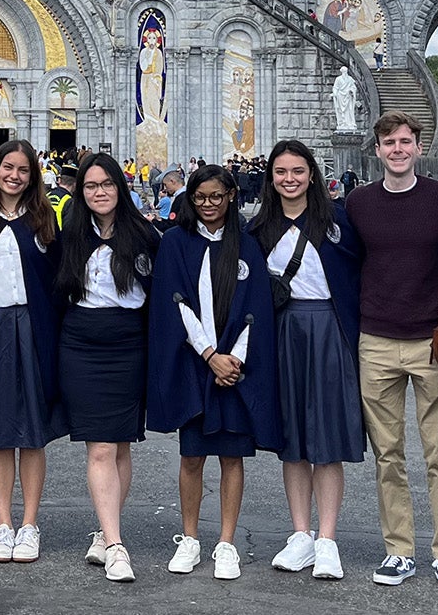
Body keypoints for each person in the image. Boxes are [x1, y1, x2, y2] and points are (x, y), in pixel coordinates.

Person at [347, 112, 438, 593]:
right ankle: (398, 549)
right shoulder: (359, 203)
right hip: (376, 338)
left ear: (419, 148)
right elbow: (346, 264)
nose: (397, 149)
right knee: (387, 454)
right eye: (389, 143)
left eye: (405, 141)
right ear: (376, 151)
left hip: (430, 339)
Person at [148, 162, 279, 581]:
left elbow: (257, 307)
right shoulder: (176, 242)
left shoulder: (247, 245)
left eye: (217, 197)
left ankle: (226, 542)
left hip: (235, 366)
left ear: (231, 197)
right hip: (195, 362)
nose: (208, 205)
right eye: (200, 198)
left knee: (232, 456)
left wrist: (233, 359)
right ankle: (189, 538)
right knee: (192, 455)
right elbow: (176, 303)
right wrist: (209, 354)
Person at [251, 140, 365, 581]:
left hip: (329, 329)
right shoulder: (260, 227)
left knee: (327, 436)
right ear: (272, 178)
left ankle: (328, 539)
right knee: (293, 438)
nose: (290, 179)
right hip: (284, 331)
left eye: (298, 171)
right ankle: (300, 534)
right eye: (281, 172)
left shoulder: (338, 221)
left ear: (312, 175)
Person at [54, 151, 156, 584]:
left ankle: (104, 529)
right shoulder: (69, 236)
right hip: (81, 343)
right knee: (99, 447)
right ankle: (116, 545)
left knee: (120, 444)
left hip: (128, 343)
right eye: (91, 186)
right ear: (81, 191)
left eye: (107, 184)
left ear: (121, 187)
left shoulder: (147, 237)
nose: (99, 192)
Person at [0, 140, 65, 564]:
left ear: (33, 176)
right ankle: (3, 523)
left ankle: (29, 524)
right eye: (8, 167)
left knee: (33, 431)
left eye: (24, 170)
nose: (15, 176)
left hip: (33, 326)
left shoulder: (44, 220)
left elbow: (57, 279)